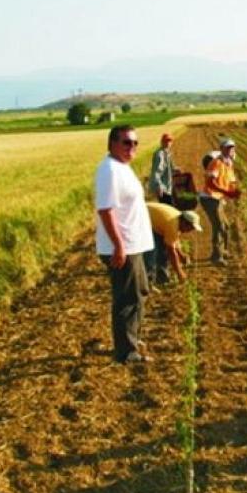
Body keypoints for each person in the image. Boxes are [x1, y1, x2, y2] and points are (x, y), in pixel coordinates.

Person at [95, 124, 154, 364]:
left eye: (135, 143)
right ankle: (126, 352)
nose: (132, 147)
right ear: (112, 144)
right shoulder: (109, 170)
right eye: (126, 142)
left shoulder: (122, 167)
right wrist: (118, 246)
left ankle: (131, 340)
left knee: (139, 293)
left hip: (133, 244)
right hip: (122, 247)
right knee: (127, 299)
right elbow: (105, 210)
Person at [200, 138, 240, 263]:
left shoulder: (229, 165)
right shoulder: (217, 163)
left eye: (232, 147)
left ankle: (223, 251)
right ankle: (217, 256)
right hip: (209, 198)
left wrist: (234, 192)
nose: (230, 150)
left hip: (218, 199)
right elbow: (210, 183)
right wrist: (226, 192)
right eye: (228, 147)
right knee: (219, 226)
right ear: (221, 149)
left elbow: (231, 183)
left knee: (226, 226)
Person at [145, 201, 204, 285]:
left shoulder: (178, 220)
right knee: (151, 254)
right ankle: (148, 283)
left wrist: (181, 255)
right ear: (184, 223)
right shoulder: (172, 224)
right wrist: (180, 273)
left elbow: (174, 241)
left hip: (153, 222)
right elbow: (171, 251)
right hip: (142, 219)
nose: (189, 231)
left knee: (162, 251)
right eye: (190, 228)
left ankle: (162, 279)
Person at [147, 132, 176, 205]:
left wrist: (176, 169)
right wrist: (159, 185)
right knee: (169, 209)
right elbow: (156, 172)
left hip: (168, 187)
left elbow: (171, 167)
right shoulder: (159, 154)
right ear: (162, 142)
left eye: (169, 141)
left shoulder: (167, 153)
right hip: (162, 187)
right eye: (166, 141)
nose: (168, 143)